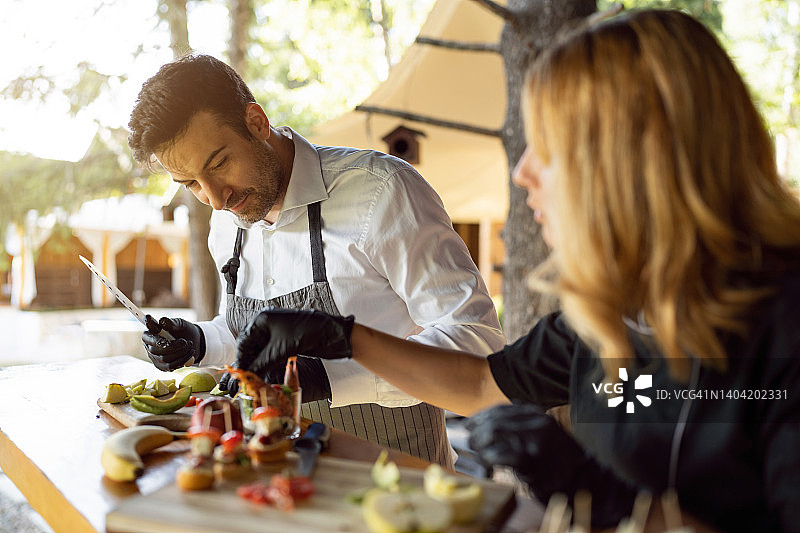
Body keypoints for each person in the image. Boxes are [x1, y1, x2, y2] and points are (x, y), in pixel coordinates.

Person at [224, 9, 800, 532]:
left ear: (632, 160)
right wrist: (347, 339)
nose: (523, 171)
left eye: (549, 145)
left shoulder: (784, 328)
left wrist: (605, 499)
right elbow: (478, 383)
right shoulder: (612, 312)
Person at [126, 53, 506, 468]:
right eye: (191, 184)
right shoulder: (226, 222)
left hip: (398, 475)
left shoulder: (382, 192)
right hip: (282, 474)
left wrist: (325, 378)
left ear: (256, 122)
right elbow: (253, 336)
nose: (216, 198)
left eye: (219, 164)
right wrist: (202, 341)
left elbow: (478, 346)